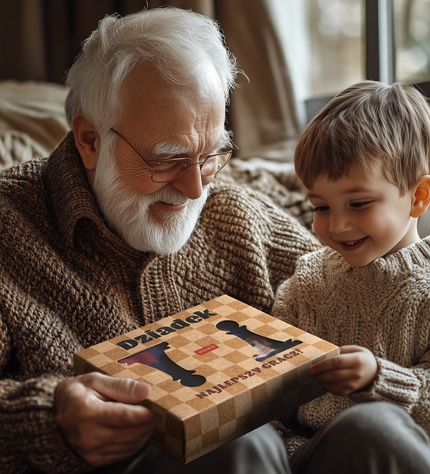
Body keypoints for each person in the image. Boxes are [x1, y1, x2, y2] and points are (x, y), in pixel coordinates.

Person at [0, 7, 320, 473]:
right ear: (89, 139)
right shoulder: (9, 228)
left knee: (378, 430)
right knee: (239, 447)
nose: (195, 189)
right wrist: (48, 418)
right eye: (167, 159)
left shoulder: (236, 212)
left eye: (210, 155)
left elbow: (370, 296)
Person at [272, 80, 430, 473]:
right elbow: (275, 387)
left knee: (371, 426)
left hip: (409, 458)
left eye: (359, 203)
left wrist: (379, 379)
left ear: (419, 197)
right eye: (321, 207)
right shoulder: (305, 283)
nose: (339, 225)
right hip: (311, 457)